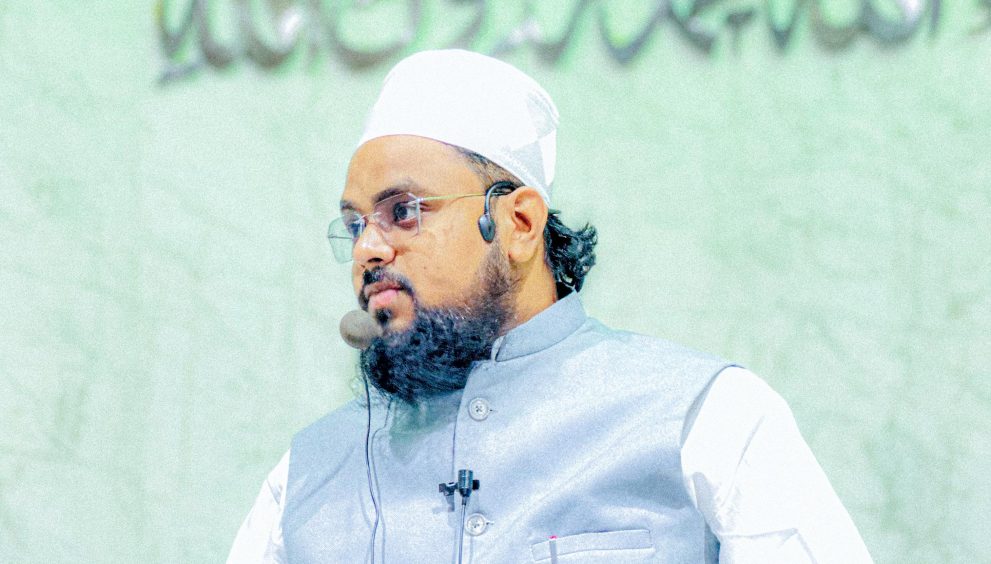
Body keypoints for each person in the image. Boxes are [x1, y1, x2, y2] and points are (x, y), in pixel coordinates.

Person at [227, 49, 873, 563]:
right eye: (354, 224)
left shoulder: (707, 418)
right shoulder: (305, 474)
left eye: (404, 211)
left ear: (518, 223)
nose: (368, 248)